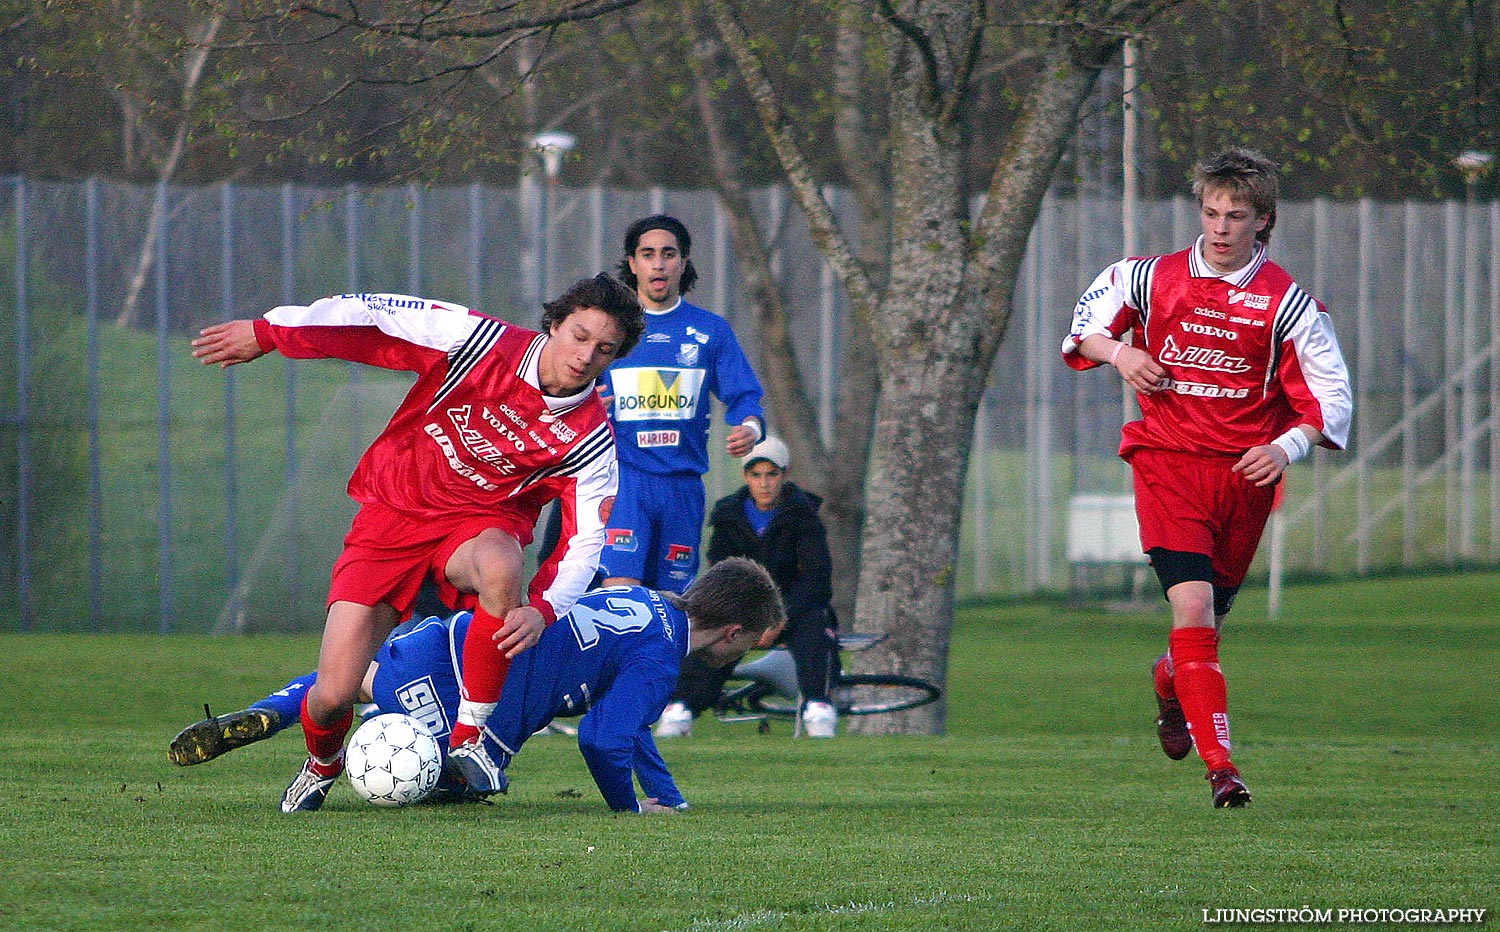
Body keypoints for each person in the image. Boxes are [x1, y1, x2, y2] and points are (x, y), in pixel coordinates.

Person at [190, 274, 645, 812]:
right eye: (579, 334)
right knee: (335, 694)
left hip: (475, 526)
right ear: (554, 323)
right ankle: (322, 763)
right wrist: (270, 333)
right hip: (393, 517)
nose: (585, 354)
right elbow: (372, 316)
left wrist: (544, 610)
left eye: (604, 348)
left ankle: (470, 741)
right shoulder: (475, 341)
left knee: (502, 565)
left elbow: (586, 538)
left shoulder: (591, 437)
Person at [1061, 148, 1353, 808]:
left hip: (1243, 482)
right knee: (1190, 607)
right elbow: (1083, 327)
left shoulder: (1290, 305)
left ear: (1264, 221)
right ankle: (1222, 768)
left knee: (1203, 629)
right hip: (1167, 466)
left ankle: (1170, 684)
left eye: (1237, 216)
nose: (1220, 227)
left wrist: (1286, 447)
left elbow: (1333, 399)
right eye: (1211, 212)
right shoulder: (1148, 278)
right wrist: (1121, 352)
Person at [167, 557, 785, 813]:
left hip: (451, 637)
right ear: (731, 633)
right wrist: (631, 810)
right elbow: (605, 736)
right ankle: (421, 765)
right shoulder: (662, 654)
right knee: (478, 781)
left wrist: (669, 797)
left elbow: (632, 729)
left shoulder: (642, 600)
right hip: (476, 697)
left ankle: (266, 715)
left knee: (354, 681)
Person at [597, 214, 767, 593]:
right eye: (648, 254)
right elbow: (565, 381)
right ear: (632, 263)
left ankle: (664, 654)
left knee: (671, 598)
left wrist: (750, 428)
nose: (658, 263)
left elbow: (743, 394)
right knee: (621, 593)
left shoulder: (711, 331)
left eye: (668, 254)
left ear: (683, 262)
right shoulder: (610, 328)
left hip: (683, 485)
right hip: (626, 480)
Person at [654, 437, 841, 739]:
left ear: (784, 475)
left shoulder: (804, 515)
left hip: (794, 606)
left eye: (772, 475)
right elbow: (721, 573)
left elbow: (817, 578)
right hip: (742, 608)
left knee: (814, 632)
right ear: (745, 477)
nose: (764, 484)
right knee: (711, 637)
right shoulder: (729, 517)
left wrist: (779, 619)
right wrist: (752, 617)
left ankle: (818, 706)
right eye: (756, 475)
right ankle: (681, 707)